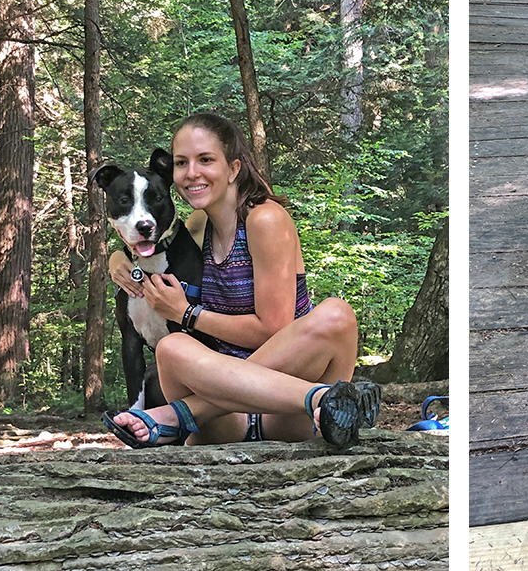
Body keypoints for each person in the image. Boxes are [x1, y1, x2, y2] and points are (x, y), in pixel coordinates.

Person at [103, 112, 379, 448]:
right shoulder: (195, 226)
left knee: (337, 314)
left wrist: (187, 314)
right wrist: (115, 259)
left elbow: (273, 328)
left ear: (233, 168)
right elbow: (146, 249)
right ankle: (324, 398)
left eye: (205, 160)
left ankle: (178, 415)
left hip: (284, 407)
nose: (191, 173)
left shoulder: (265, 219)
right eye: (181, 163)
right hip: (224, 420)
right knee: (172, 347)